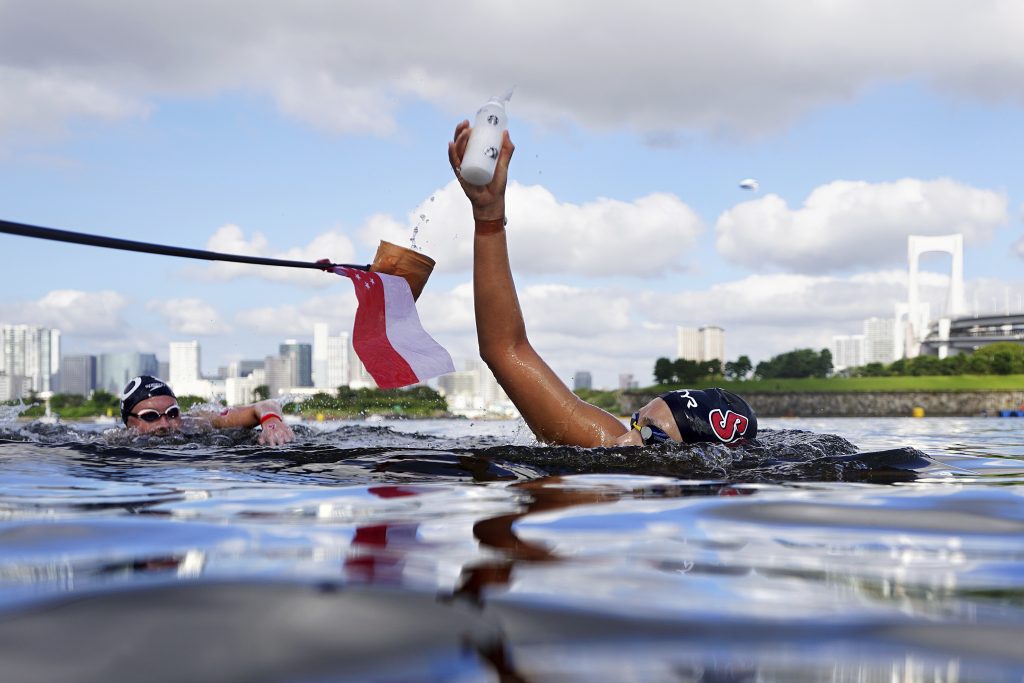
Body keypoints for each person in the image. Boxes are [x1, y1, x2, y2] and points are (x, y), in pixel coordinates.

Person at [448, 120, 757, 448]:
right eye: (636, 423)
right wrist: (488, 215)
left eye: (653, 436)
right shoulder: (614, 443)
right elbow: (505, 349)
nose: (626, 441)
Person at [119, 375, 295, 446]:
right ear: (128, 422)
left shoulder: (200, 421)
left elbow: (265, 405)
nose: (164, 424)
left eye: (172, 413)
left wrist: (271, 422)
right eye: (151, 416)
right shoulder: (113, 442)